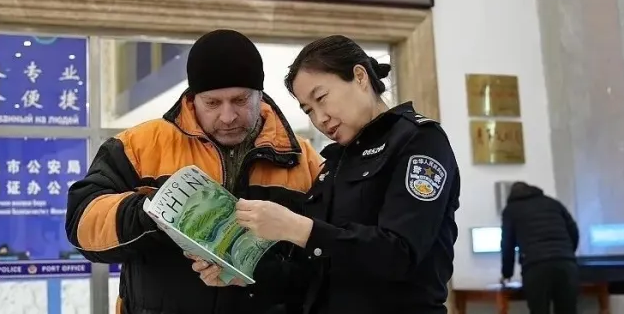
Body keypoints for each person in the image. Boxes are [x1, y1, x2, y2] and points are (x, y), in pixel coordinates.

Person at [192, 34, 461, 314]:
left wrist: (297, 227)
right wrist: (243, 274)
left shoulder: (418, 140)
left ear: (360, 77)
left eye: (321, 98)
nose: (320, 118)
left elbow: (398, 255)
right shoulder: (333, 164)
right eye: (308, 110)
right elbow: (312, 279)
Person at [65, 29, 323, 314]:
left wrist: (266, 270)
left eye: (240, 100)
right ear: (192, 98)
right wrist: (156, 213)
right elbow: (82, 225)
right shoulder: (137, 146)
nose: (228, 116)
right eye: (212, 103)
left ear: (259, 95)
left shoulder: (303, 160)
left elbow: (326, 264)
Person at [500, 181, 580, 314]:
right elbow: (573, 230)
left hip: (536, 266)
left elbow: (507, 244)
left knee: (539, 310)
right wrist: (567, 253)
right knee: (568, 310)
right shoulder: (553, 203)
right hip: (566, 264)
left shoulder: (511, 210)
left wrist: (507, 273)